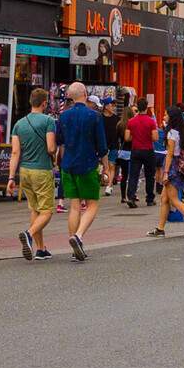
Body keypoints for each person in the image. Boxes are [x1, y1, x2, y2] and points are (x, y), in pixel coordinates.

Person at [53, 82, 107, 259]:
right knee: (92, 204)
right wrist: (106, 167)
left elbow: (59, 140)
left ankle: (74, 245)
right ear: (84, 94)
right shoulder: (94, 116)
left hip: (68, 165)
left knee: (74, 207)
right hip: (88, 164)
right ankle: (78, 236)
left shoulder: (63, 116)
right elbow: (102, 146)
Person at [7, 88, 58, 260]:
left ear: (30, 102)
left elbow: (15, 152)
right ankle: (28, 234)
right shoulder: (48, 121)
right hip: (41, 170)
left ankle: (40, 249)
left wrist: (11, 177)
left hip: (24, 171)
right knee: (47, 211)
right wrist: (55, 152)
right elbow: (51, 148)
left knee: (35, 209)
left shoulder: (19, 124)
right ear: (44, 103)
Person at [150, 107, 184, 238]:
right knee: (164, 198)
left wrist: (166, 172)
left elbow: (169, 155)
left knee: (174, 199)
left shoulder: (171, 133)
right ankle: (160, 228)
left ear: (172, 117)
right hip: (177, 165)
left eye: (165, 114)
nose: (164, 116)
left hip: (172, 166)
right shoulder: (180, 132)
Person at [124, 97, 161, 207]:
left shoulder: (131, 121)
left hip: (135, 150)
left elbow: (127, 137)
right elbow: (155, 138)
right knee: (150, 175)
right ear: (146, 107)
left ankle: (131, 197)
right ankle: (150, 198)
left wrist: (135, 137)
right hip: (148, 150)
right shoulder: (151, 121)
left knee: (134, 175)